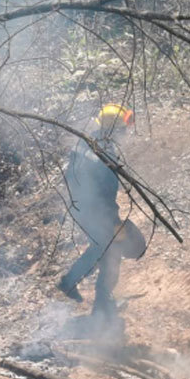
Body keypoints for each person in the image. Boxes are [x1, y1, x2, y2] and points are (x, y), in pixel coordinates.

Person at [57, 104, 146, 322]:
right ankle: (85, 293)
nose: (124, 134)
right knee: (109, 250)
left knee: (103, 248)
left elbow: (71, 177)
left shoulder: (84, 141)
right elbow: (106, 192)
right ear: (112, 130)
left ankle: (97, 302)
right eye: (121, 130)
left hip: (78, 206)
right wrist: (112, 220)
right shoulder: (106, 154)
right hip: (96, 209)